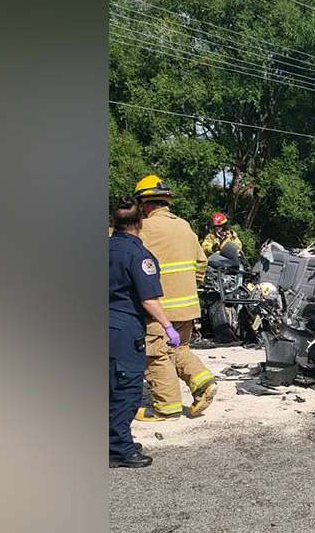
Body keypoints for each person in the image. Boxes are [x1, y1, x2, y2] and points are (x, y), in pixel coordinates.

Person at [131, 174, 217, 421]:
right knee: (178, 349)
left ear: (144, 204)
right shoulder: (185, 226)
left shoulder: (144, 229)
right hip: (188, 305)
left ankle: (166, 408)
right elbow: (202, 263)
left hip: (159, 308)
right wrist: (190, 285)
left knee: (156, 355)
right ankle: (204, 383)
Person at [109, 197, 181, 468]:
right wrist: (168, 326)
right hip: (124, 328)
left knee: (108, 386)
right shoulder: (137, 255)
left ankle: (113, 440)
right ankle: (119, 449)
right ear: (139, 222)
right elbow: (148, 299)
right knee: (126, 389)